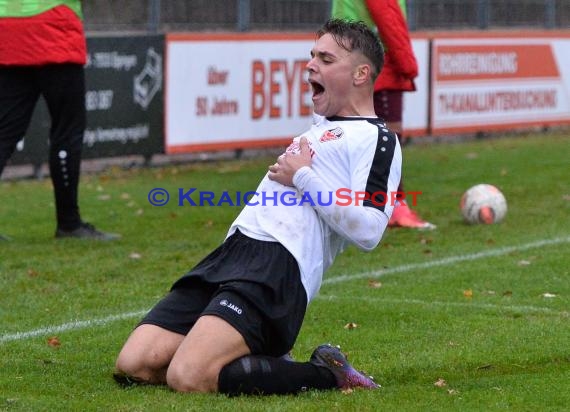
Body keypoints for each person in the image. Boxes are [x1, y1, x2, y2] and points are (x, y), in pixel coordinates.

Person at [113, 19, 401, 395]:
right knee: (134, 364)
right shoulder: (319, 126)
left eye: (326, 59)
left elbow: (368, 230)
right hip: (233, 252)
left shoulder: (377, 140)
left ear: (362, 73)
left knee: (188, 377)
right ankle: (261, 358)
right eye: (312, 56)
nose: (312, 65)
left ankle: (328, 374)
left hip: (277, 267)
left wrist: (303, 177)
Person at [0, 0, 119, 240]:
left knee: (4, 132)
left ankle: (69, 223)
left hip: (9, 32)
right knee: (67, 132)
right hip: (55, 30)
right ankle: (69, 223)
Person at [332, 0, 436, 230]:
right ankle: (394, 208)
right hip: (379, 61)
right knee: (389, 137)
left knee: (358, 137)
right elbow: (388, 18)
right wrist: (408, 64)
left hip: (351, 56)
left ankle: (358, 206)